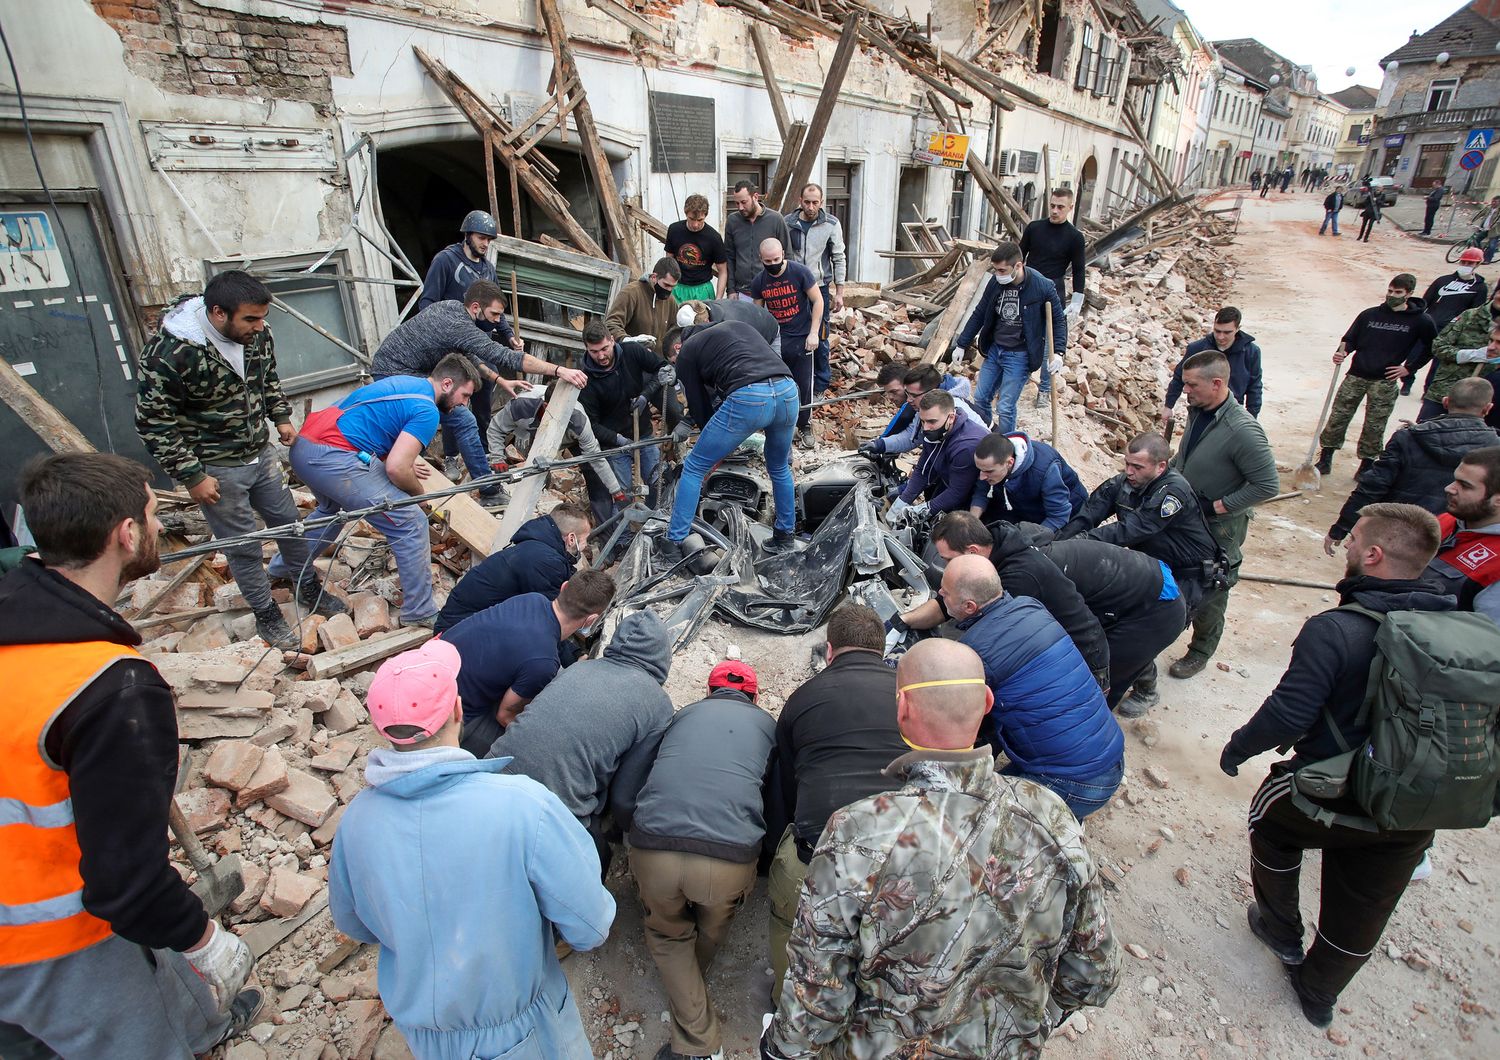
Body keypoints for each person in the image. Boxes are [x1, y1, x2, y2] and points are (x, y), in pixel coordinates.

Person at [0, 453, 258, 1056]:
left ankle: (201, 1025)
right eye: (151, 512)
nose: (160, 524)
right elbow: (124, 883)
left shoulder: (20, 621)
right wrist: (201, 939)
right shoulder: (108, 687)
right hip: (49, 936)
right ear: (126, 534)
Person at [761, 636, 1121, 1058]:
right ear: (987, 701)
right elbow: (1095, 974)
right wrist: (1025, 1021)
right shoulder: (1049, 814)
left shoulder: (858, 831)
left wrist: (783, 1050)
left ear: (902, 710)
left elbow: (820, 989)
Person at [1219, 503, 1449, 1030]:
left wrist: (1238, 749)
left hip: (1335, 788)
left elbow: (1288, 713)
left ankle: (1279, 929)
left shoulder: (1337, 628)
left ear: (1372, 554)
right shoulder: (1460, 626)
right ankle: (1319, 993)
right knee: (1369, 899)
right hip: (1418, 801)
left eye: (1353, 541)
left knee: (1270, 823)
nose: (1346, 547)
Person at [329, 638, 614, 1060]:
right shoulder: (522, 806)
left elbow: (356, 925)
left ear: (380, 728)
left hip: (423, 1035)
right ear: (459, 711)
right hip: (522, 1035)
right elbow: (591, 926)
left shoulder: (355, 821)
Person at [135, 270, 345, 650]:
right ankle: (266, 613)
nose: (260, 326)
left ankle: (307, 588)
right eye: (250, 319)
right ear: (218, 313)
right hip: (215, 466)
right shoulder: (171, 354)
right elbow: (154, 421)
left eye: (263, 317)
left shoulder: (258, 336)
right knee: (243, 543)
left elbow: (269, 380)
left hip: (260, 453)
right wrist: (192, 475)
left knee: (288, 525)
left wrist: (280, 416)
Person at [629, 660, 775, 1060]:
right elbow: (774, 802)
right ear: (755, 697)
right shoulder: (767, 726)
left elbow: (640, 778)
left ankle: (697, 1038)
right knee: (711, 925)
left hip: (655, 847)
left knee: (667, 933)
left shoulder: (683, 715)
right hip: (726, 860)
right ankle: (698, 1037)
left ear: (708, 693)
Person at [762, 605, 908, 994]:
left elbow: (788, 784)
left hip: (819, 856)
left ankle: (787, 1002)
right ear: (882, 648)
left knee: (788, 927)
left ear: (830, 651)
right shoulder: (908, 697)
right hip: (901, 859)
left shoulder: (804, 697)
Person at [292, 354, 481, 628]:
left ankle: (284, 566)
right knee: (410, 522)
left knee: (329, 510)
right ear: (448, 383)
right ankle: (420, 611)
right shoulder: (427, 409)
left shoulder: (406, 383)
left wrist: (400, 462)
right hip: (331, 456)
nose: (464, 404)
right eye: (464, 395)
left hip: (305, 446)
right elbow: (396, 468)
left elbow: (376, 430)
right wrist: (420, 498)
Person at [491, 611, 675, 874]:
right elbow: (628, 785)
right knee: (597, 858)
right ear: (662, 656)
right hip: (553, 808)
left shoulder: (580, 668)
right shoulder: (657, 702)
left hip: (492, 774)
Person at [945, 555, 1125, 816]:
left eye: (945, 592)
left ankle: (1057, 819)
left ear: (970, 606)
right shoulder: (1029, 606)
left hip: (1077, 783)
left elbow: (950, 715)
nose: (940, 593)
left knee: (973, 817)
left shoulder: (975, 652)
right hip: (1107, 754)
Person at [373, 280, 585, 495]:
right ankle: (488, 490)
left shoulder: (453, 308)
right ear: (476, 307)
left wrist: (499, 380)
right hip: (394, 373)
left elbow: (469, 355)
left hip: (398, 370)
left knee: (451, 417)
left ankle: (411, 463)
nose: (497, 320)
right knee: (462, 419)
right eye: (494, 314)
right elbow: (507, 356)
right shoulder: (459, 325)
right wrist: (559, 371)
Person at [899, 512, 1110, 687]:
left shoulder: (1019, 578)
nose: (946, 566)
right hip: (1046, 644)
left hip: (1082, 657)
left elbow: (986, 646)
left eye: (948, 559)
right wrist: (903, 620)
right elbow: (947, 604)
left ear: (972, 551)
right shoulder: (988, 548)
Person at [1170, 349, 1280, 677]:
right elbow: (1186, 456)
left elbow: (1267, 485)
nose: (1185, 390)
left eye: (1191, 385)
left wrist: (1217, 506)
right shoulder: (1198, 411)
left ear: (1216, 383)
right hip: (1187, 519)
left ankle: (1201, 650)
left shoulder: (1242, 430)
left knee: (1212, 588)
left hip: (1220, 530)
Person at [661, 319, 799, 562]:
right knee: (778, 466)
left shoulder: (687, 352)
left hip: (750, 397)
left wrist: (712, 440)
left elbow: (699, 404)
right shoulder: (734, 327)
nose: (677, 370)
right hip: (788, 391)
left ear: (677, 349)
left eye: (674, 364)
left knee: (694, 467)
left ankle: (673, 542)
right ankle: (784, 537)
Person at [444, 570, 617, 756]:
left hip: (434, 671)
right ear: (591, 619)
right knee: (527, 744)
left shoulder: (531, 599)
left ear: (564, 587)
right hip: (449, 719)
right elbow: (504, 716)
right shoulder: (543, 663)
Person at [1325, 378, 1498, 555]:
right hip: (1450, 543)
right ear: (1488, 408)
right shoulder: (1495, 450)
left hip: (1395, 532)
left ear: (1445, 402)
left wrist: (1341, 528)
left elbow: (1372, 487)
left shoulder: (1408, 438)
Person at [1057, 432, 1221, 611]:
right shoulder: (1124, 483)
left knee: (1161, 629)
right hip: (1156, 569)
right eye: (1127, 463)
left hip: (1190, 577)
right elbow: (1087, 515)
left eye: (1137, 467)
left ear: (1161, 467)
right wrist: (1056, 544)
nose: (1128, 471)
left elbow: (1131, 529)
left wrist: (1079, 542)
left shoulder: (1173, 491)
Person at [1041, 528, 1188, 716]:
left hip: (1160, 605)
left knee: (1105, 672)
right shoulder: (1032, 559)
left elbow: (1086, 635)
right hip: (1126, 596)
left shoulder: (1035, 575)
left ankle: (1135, 698)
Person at [1316, 275, 1438, 476]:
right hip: (1356, 375)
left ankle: (1367, 464)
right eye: (1390, 291)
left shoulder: (1421, 321)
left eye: (1397, 292)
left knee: (1375, 424)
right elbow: (1349, 339)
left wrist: (1409, 368)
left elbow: (1432, 347)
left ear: (1409, 293)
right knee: (1338, 417)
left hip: (1384, 380)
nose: (1392, 295)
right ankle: (1326, 458)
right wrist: (1342, 352)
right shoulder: (1370, 315)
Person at [953, 242, 1066, 431]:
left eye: (1002, 270)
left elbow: (1059, 321)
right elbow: (980, 312)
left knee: (1005, 406)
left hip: (1020, 355)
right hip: (995, 350)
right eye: (996, 270)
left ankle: (1005, 449)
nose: (998, 274)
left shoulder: (1042, 286)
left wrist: (1060, 352)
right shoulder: (996, 283)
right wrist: (962, 343)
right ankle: (986, 438)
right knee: (981, 398)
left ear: (1018, 266)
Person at [435, 505, 592, 633]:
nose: (585, 546)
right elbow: (548, 620)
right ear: (571, 539)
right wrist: (574, 657)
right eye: (585, 540)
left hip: (463, 622)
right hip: (457, 634)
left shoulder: (537, 545)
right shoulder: (544, 561)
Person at [490, 383, 626, 524]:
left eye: (567, 412)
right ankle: (530, 517)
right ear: (546, 405)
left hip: (571, 438)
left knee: (594, 476)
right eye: (562, 412)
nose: (565, 415)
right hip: (537, 434)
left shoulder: (578, 419)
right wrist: (497, 458)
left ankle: (605, 528)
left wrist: (615, 489)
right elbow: (496, 428)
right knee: (536, 474)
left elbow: (595, 457)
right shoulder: (522, 405)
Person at [578, 321, 677, 512]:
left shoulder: (632, 352)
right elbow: (591, 424)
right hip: (615, 445)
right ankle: (623, 539)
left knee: (659, 482)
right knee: (621, 494)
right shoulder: (585, 380)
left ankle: (654, 523)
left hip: (644, 435)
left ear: (612, 340)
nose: (601, 356)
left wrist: (645, 395)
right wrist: (618, 440)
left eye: (605, 348)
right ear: (586, 349)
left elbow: (662, 368)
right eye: (594, 351)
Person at [751, 237, 823, 446]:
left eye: (776, 259)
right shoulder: (759, 282)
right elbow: (758, 313)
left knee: (803, 384)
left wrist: (814, 332)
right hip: (776, 340)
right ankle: (779, 425)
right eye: (768, 261)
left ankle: (805, 425)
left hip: (801, 337)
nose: (773, 264)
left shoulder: (800, 272)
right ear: (761, 260)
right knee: (777, 384)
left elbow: (817, 300)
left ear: (783, 253)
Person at [887, 390, 990, 522]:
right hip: (950, 481)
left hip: (975, 499)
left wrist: (923, 510)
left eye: (931, 422)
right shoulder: (937, 432)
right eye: (923, 421)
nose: (926, 428)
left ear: (951, 418)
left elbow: (957, 492)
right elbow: (923, 470)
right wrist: (903, 501)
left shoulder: (966, 446)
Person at [784, 183, 846, 396]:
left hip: (818, 287)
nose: (811, 207)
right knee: (792, 333)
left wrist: (839, 292)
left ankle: (820, 384)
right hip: (793, 288)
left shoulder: (830, 224)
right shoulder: (788, 223)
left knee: (820, 335)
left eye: (815, 202)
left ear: (821, 202)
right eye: (807, 202)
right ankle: (793, 381)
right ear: (800, 201)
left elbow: (838, 257)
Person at [1425, 445, 1500, 623]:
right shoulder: (1448, 520)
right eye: (1455, 480)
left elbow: (1487, 641)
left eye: (1464, 486)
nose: (1449, 488)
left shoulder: (1496, 567)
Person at [1162, 306, 1264, 431]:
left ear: (1237, 329)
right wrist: (1168, 406)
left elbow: (1255, 386)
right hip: (1200, 411)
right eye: (1217, 331)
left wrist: (1252, 418)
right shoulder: (1197, 349)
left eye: (1227, 332)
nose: (1221, 337)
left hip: (1232, 414)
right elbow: (1179, 377)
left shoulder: (1251, 353)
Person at [968, 430, 1087, 530]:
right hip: (1019, 505)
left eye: (989, 472)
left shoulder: (1045, 470)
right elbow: (982, 491)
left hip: (1063, 513)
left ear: (1010, 463)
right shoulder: (994, 458)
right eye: (980, 470)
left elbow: (1058, 515)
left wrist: (1028, 540)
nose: (982, 476)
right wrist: (972, 522)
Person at [1409, 249, 1489, 397]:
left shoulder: (1480, 287)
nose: (1466, 265)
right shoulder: (1443, 280)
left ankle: (1428, 391)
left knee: (1439, 363)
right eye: (1463, 262)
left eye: (1470, 263)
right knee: (1414, 356)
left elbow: (1474, 311)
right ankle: (1407, 381)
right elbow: (1426, 301)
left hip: (1451, 331)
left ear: (1478, 264)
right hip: (1429, 325)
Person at [859, 363, 978, 458]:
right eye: (907, 394)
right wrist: (879, 445)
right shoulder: (925, 405)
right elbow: (912, 437)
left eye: (913, 395)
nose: (909, 400)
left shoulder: (953, 408)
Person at [1420, 287, 1500, 424]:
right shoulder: (1470, 316)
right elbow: (1438, 346)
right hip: (1445, 393)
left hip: (1481, 404)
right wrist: (1470, 355)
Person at [1019, 186, 1087, 325]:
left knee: (1052, 334)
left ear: (1070, 207)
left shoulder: (1075, 237)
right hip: (1029, 285)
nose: (1055, 211)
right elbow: (1018, 257)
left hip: (1054, 289)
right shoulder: (1034, 228)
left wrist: (1076, 301)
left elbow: (1078, 270)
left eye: (1060, 207)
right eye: (1052, 206)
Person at [417, 209, 497, 309]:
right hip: (449, 323)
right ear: (467, 235)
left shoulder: (489, 270)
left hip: (477, 325)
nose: (486, 244)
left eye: (489, 240)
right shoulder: (445, 260)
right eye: (481, 238)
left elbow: (496, 307)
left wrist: (505, 325)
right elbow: (427, 303)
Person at [723, 180, 789, 299]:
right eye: (737, 203)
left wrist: (786, 287)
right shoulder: (732, 221)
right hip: (743, 292)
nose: (740, 207)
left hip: (773, 290)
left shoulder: (776, 219)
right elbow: (729, 257)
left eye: (744, 202)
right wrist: (731, 289)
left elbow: (788, 255)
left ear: (755, 197)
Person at [606, 257, 681, 352]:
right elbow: (611, 324)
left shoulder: (670, 301)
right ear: (654, 277)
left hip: (657, 363)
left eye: (672, 287)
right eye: (666, 285)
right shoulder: (631, 293)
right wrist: (629, 341)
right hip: (631, 358)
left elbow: (674, 332)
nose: (669, 290)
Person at [664, 194, 728, 302]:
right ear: (686, 213)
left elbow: (723, 271)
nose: (695, 224)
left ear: (705, 216)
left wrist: (718, 299)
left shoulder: (714, 237)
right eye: (691, 219)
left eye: (700, 220)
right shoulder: (674, 230)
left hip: (702, 290)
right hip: (678, 287)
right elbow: (668, 261)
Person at [679, 296, 781, 355]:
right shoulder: (703, 307)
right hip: (749, 322)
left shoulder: (729, 328)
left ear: (705, 321)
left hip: (768, 332)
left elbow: (745, 357)